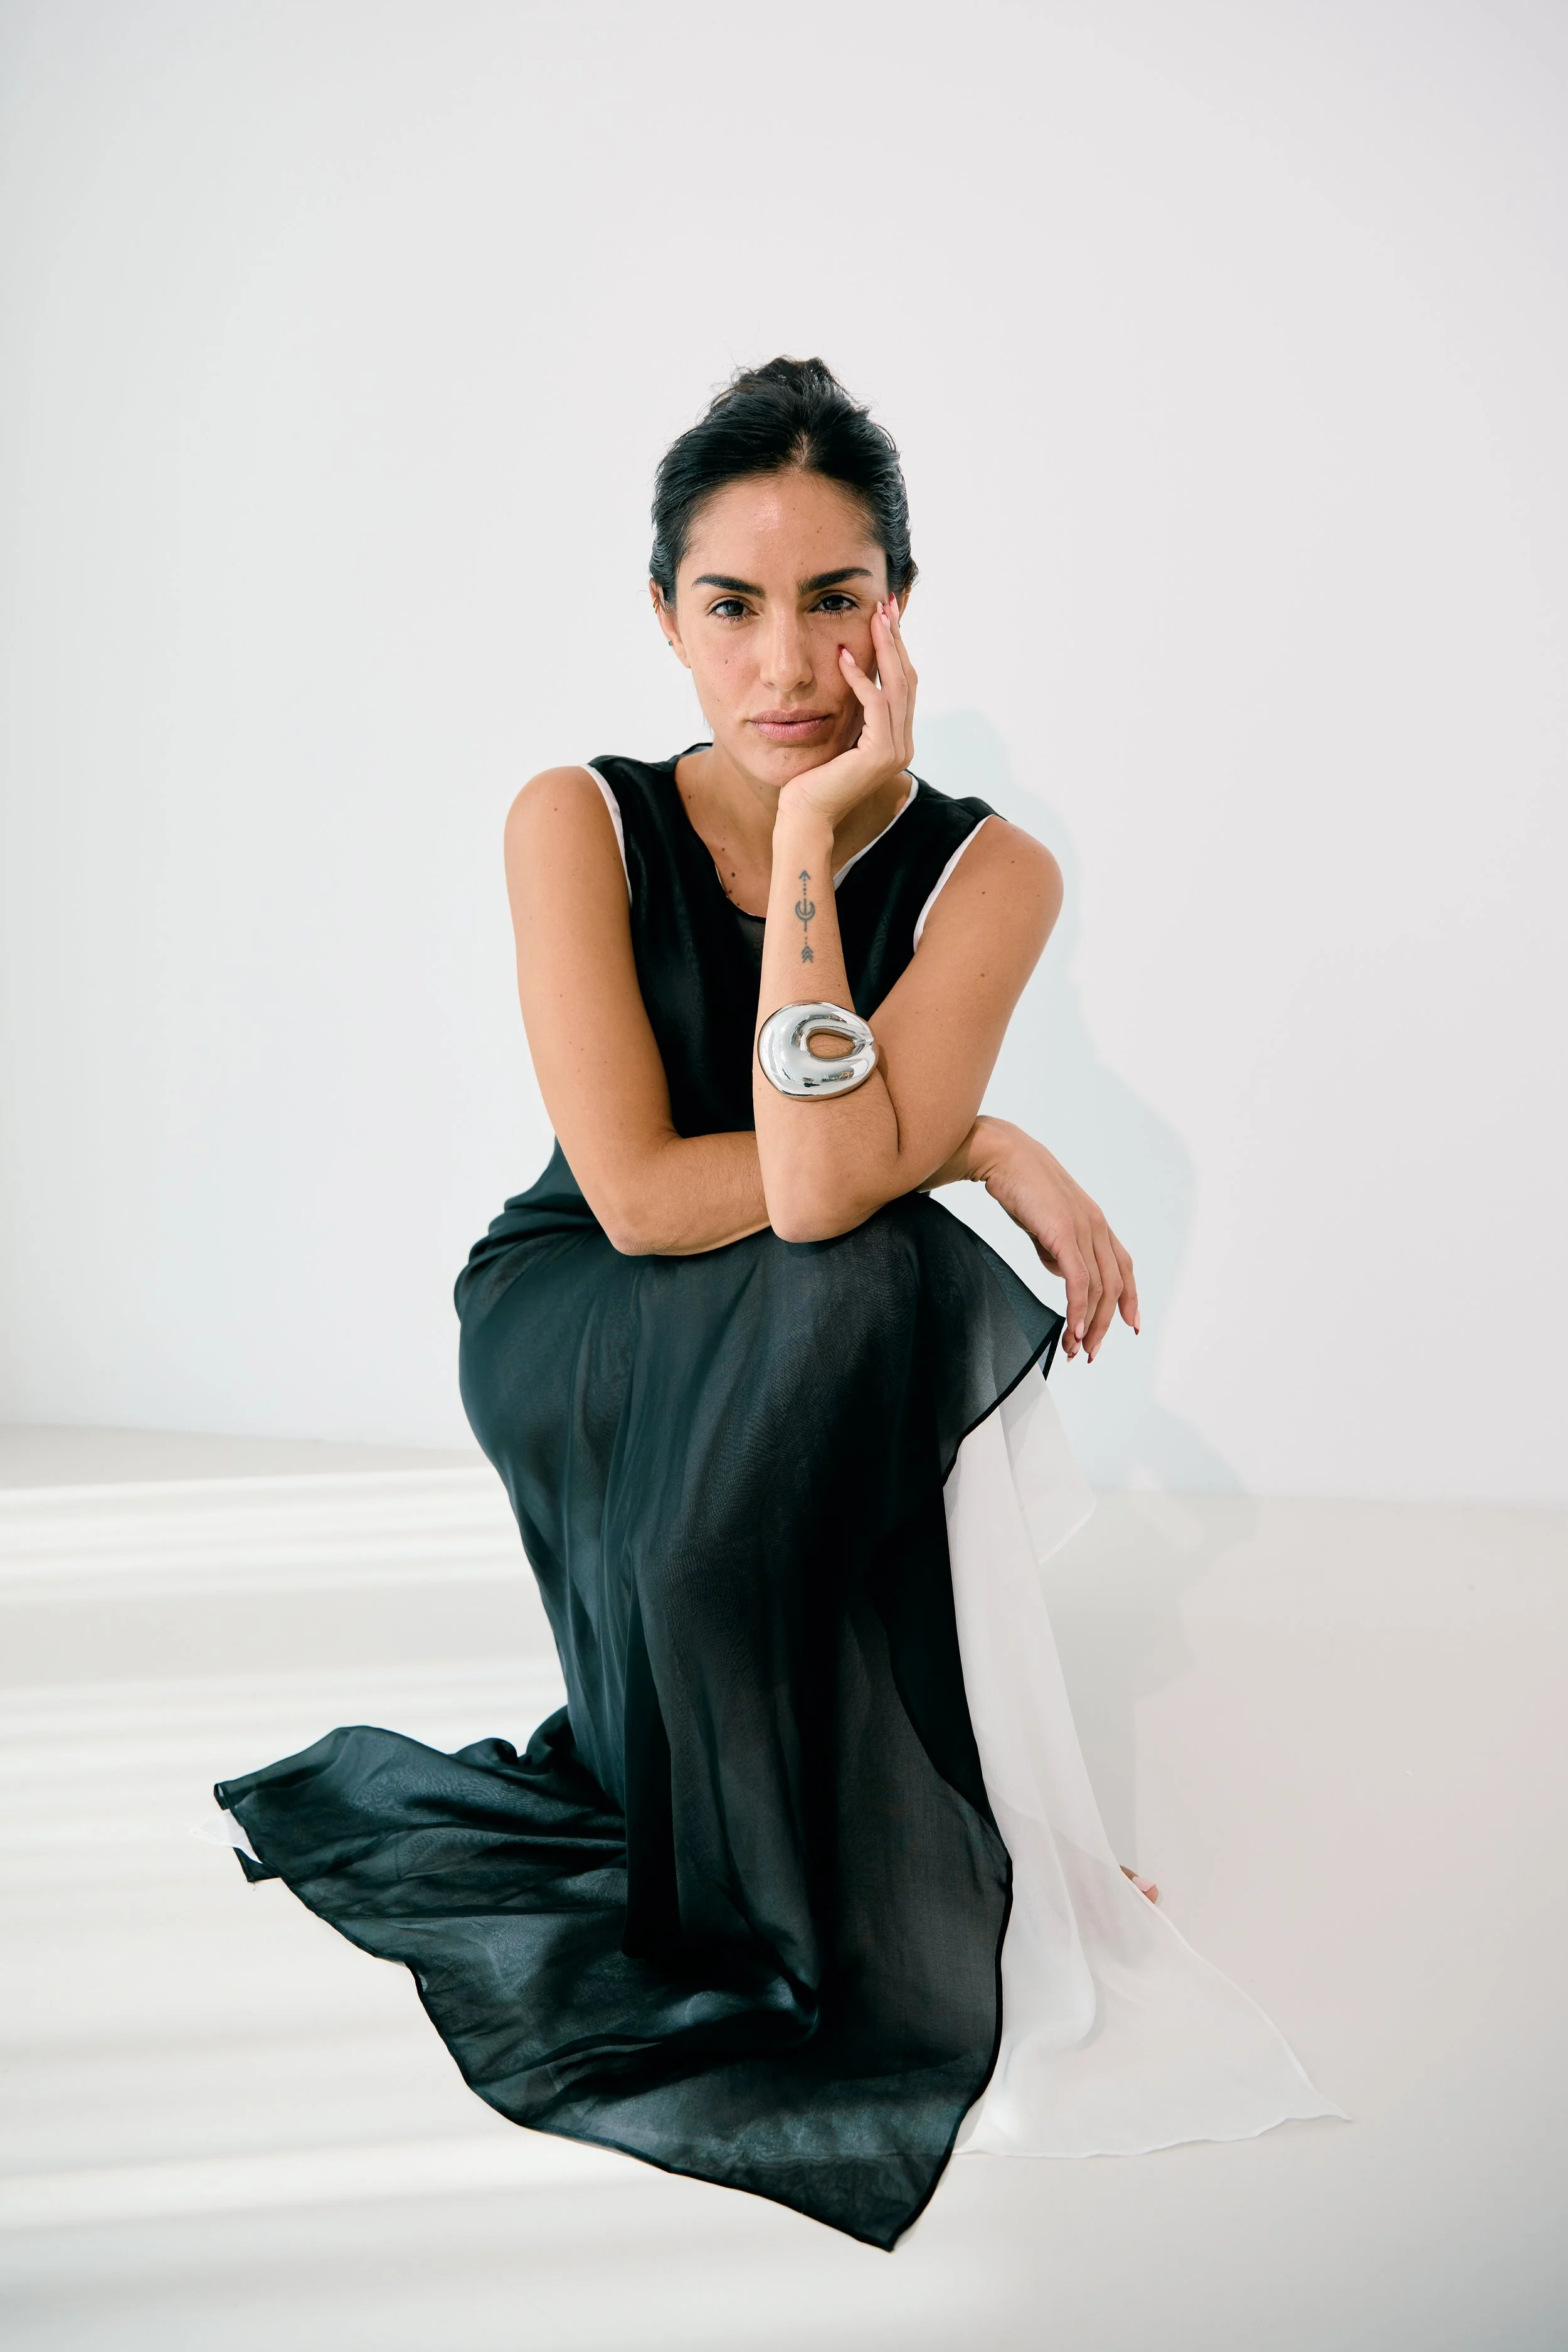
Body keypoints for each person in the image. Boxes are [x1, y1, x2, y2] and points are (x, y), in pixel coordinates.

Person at [213, 359, 1337, 2250]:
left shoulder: (993, 870)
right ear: (663, 615)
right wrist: (956, 1124)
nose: (785, 660)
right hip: (584, 1294)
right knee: (879, 1250)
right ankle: (836, 1820)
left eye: (836, 600)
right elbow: (654, 1192)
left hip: (803, 1284)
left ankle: (934, 1830)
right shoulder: (571, 819)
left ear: (900, 609)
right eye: (730, 604)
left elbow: (823, 1196)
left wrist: (832, 885)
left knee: (874, 1276)